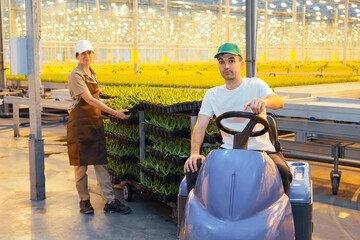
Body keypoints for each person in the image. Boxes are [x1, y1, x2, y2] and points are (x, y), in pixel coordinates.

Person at [183, 43, 292, 195]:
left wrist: (265, 102)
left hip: (261, 150)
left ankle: (280, 214)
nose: (226, 65)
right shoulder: (213, 95)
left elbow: (279, 102)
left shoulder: (255, 85)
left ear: (241, 64)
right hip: (228, 150)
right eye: (221, 61)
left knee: (282, 172)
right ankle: (197, 215)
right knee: (194, 167)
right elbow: (200, 126)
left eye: (231, 60)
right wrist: (194, 153)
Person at [67, 40, 132, 214]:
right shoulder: (76, 75)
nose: (86, 56)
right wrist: (114, 113)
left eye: (89, 53)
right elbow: (89, 99)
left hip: (94, 122)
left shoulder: (92, 73)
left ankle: (109, 201)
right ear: (77, 56)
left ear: (93, 55)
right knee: (81, 165)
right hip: (80, 125)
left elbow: (96, 100)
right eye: (83, 53)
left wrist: (111, 106)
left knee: (101, 163)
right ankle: (84, 201)